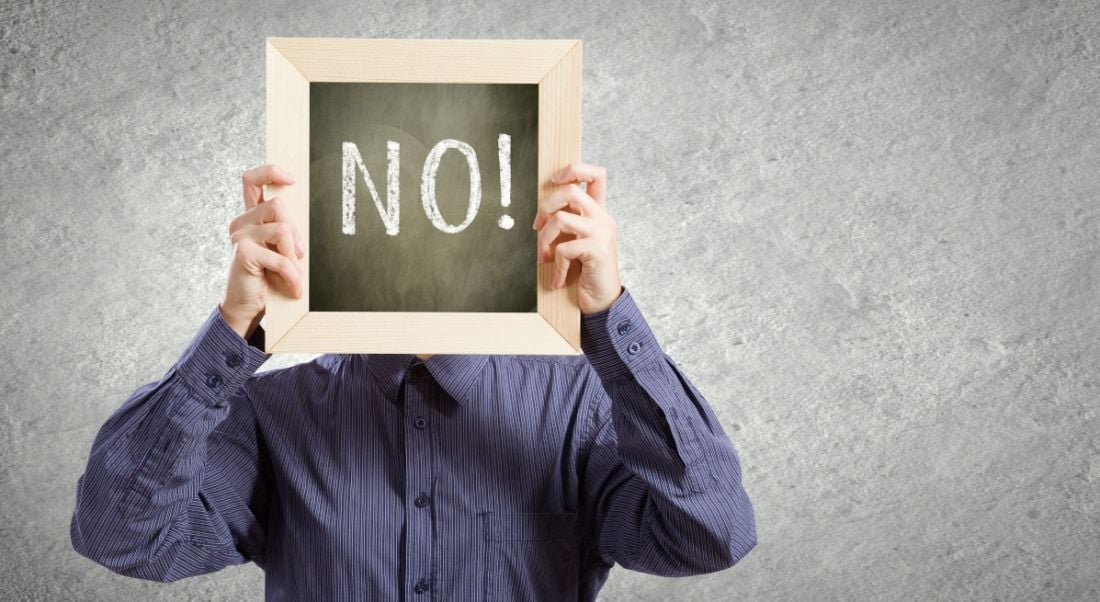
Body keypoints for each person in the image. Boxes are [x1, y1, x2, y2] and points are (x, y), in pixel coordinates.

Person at [70, 162, 757, 600]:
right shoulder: (272, 414)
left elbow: (710, 534)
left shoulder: (581, 407)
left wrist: (608, 319)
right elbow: (122, 536)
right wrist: (236, 323)